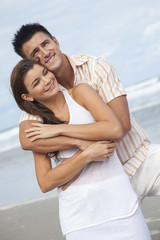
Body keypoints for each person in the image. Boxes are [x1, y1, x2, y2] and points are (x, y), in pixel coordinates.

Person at [12, 23, 160, 202]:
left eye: (45, 44)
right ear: (30, 63)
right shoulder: (42, 93)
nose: (44, 53)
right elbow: (27, 140)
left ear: (56, 42)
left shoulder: (95, 66)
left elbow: (121, 125)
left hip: (139, 161)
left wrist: (62, 132)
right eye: (35, 53)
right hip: (97, 183)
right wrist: (80, 146)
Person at [10, 58, 151, 239]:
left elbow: (114, 128)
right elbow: (45, 182)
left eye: (45, 73)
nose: (46, 81)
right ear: (28, 96)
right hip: (78, 219)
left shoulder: (80, 93)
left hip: (121, 204)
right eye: (36, 82)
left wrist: (59, 129)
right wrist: (86, 153)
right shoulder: (38, 126)